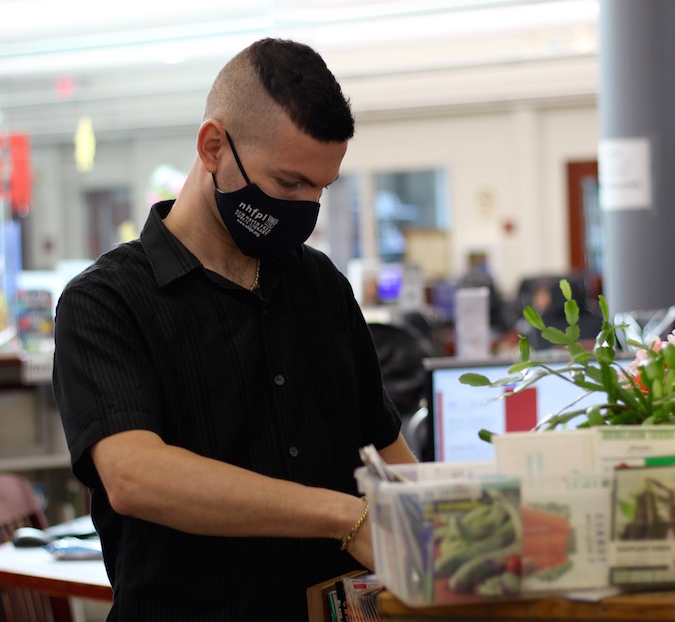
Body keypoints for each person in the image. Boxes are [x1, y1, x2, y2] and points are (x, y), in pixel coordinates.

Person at [52, 38, 418, 621]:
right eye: (289, 183)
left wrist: (454, 522)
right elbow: (134, 475)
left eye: (321, 189)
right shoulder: (105, 303)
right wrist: (341, 516)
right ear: (214, 146)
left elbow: (381, 447)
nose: (306, 208)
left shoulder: (318, 284)